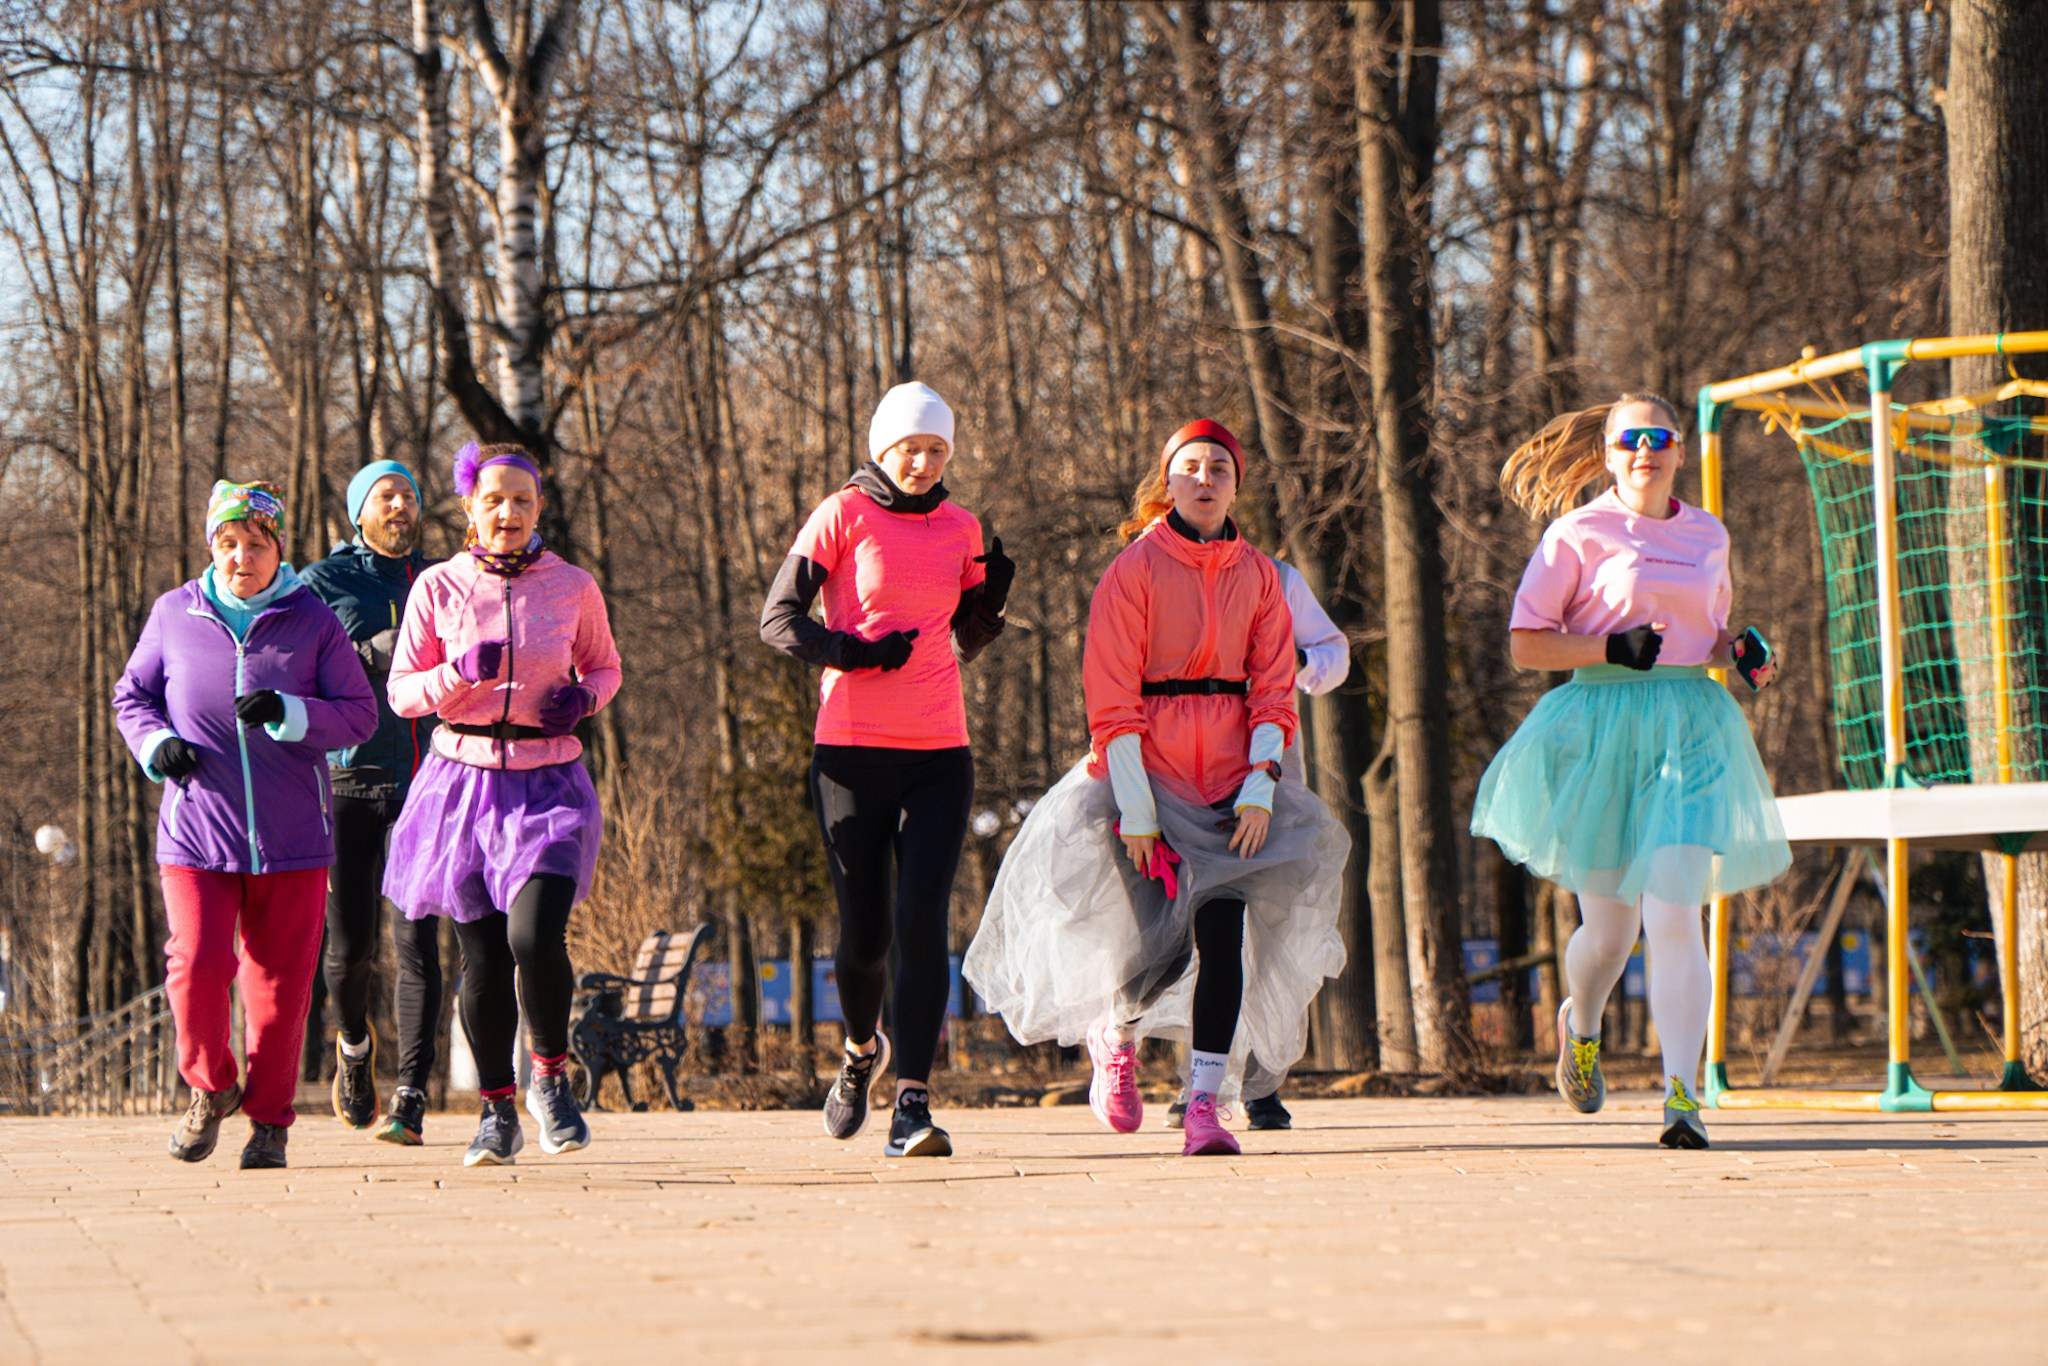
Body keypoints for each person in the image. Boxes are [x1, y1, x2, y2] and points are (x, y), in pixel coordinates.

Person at [965, 419, 1348, 1158]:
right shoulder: (1133, 571)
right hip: (1144, 782)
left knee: (1224, 938)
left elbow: (1274, 693)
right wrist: (1139, 814)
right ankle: (1116, 1034)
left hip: (1231, 790)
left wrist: (1260, 786)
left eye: (1219, 470)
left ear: (1236, 487)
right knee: (1158, 952)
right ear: (1168, 483)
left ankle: (1205, 1103)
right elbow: (1112, 702)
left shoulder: (1260, 577)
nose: (1205, 480)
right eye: (1191, 468)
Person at [1471, 392, 1791, 1149]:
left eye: (1658, 437)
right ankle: (1581, 1025)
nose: (1645, 450)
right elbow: (1526, 643)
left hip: (1692, 727)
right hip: (1602, 730)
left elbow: (1708, 637)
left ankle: (1683, 1098)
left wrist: (1745, 655)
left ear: (1679, 449)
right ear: (1608, 455)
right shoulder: (1576, 533)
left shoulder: (1708, 533)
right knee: (1610, 936)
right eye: (1629, 440)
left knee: (1675, 912)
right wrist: (1610, 648)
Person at [760, 381, 1013, 1159]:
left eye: (937, 450)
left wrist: (990, 607)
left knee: (921, 925)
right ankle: (859, 1052)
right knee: (866, 936)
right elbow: (778, 621)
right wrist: (857, 653)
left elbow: (961, 639)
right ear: (883, 447)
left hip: (939, 751)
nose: (924, 462)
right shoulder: (841, 515)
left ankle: (912, 1103)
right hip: (851, 751)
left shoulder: (961, 527)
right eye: (911, 448)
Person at [114, 481, 378, 1169]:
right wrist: (155, 744)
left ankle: (269, 1123)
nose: (241, 558)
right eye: (228, 543)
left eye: (256, 544)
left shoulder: (312, 619)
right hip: (197, 830)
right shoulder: (175, 613)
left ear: (278, 549)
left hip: (293, 840)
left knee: (279, 991)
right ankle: (211, 1087)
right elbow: (132, 695)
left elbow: (359, 714)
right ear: (212, 546)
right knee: (195, 965)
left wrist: (291, 712)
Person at [382, 443, 622, 1167]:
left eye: (522, 500)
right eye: (494, 501)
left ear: (539, 505)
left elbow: (605, 666)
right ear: (470, 508)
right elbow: (402, 693)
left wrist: (584, 697)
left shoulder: (573, 586)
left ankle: (550, 1078)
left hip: (548, 784)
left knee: (534, 936)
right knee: (482, 955)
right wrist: (457, 674)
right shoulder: (438, 588)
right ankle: (495, 1110)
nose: (508, 513)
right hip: (462, 786)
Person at [1166, 555, 1350, 1132]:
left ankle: (1264, 1084)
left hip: (1272, 774)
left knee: (1271, 934)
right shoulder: (1159, 574)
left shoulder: (1277, 578)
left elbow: (1334, 654)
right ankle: (1197, 1085)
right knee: (1210, 933)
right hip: (1190, 771)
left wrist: (1294, 662)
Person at [298, 459, 444, 1144]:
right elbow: (295, 664)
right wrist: (366, 654)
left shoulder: (441, 580)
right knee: (350, 947)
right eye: (385, 495)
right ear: (359, 512)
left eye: (408, 494)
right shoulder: (321, 584)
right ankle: (354, 1047)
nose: (399, 505)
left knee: (417, 941)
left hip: (426, 783)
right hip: (348, 782)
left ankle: (411, 1095)